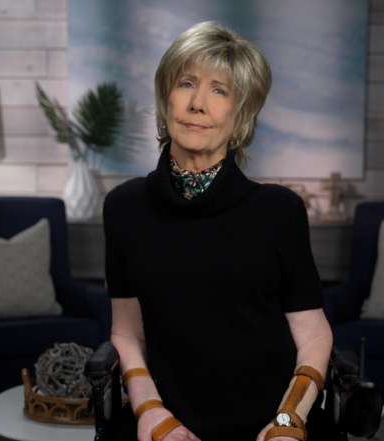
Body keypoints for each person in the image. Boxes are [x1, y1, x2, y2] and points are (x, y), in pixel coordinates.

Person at [103, 21, 333, 441]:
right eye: (186, 83)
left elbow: (314, 333)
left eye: (219, 90)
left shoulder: (280, 210)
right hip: (163, 416)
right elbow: (127, 332)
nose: (197, 104)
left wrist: (289, 420)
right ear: (166, 97)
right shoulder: (123, 208)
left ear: (241, 114)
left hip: (275, 417)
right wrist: (151, 412)